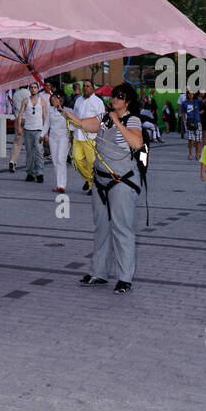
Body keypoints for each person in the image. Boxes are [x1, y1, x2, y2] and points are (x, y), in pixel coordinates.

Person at [77, 83, 143, 294]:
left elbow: (136, 143)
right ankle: (99, 272)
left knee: (122, 229)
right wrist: (62, 110)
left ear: (128, 101)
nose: (115, 100)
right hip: (100, 181)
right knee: (102, 228)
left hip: (122, 181)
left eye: (120, 97)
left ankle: (125, 278)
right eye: (114, 96)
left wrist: (118, 122)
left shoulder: (132, 119)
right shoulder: (104, 118)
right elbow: (82, 124)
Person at [71, 79, 104, 195]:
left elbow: (101, 120)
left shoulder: (98, 102)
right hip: (77, 136)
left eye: (88, 86)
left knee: (91, 163)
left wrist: (100, 136)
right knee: (76, 160)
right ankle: (90, 179)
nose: (86, 88)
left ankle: (91, 186)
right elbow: (74, 116)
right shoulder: (78, 100)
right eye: (84, 86)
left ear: (92, 88)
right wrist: (71, 131)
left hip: (91, 137)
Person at [17, 83, 47, 183]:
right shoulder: (25, 101)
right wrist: (19, 127)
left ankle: (40, 173)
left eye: (35, 87)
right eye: (31, 87)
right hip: (28, 130)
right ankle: (30, 173)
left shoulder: (42, 102)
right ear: (29, 89)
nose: (33, 89)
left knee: (39, 152)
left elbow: (44, 117)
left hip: (38, 130)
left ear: (38, 89)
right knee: (29, 153)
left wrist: (45, 133)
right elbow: (20, 114)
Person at [44, 84, 72, 192]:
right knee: (55, 161)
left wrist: (72, 136)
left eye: (60, 98)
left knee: (61, 159)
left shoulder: (68, 110)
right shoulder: (50, 110)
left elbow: (73, 123)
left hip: (64, 137)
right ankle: (58, 184)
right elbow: (47, 123)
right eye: (56, 97)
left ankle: (62, 185)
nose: (58, 99)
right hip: (53, 137)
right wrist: (43, 135)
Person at [7, 84, 29, 172]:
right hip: (28, 119)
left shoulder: (15, 94)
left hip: (18, 119)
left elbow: (14, 106)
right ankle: (29, 164)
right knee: (29, 144)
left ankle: (12, 161)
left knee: (17, 142)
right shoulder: (29, 94)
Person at [184, 90, 203, 161]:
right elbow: (183, 112)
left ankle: (197, 154)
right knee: (190, 139)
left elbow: (203, 106)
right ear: (187, 95)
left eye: (192, 93)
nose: (190, 94)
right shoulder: (185, 103)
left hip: (197, 122)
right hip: (189, 122)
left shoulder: (197, 101)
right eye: (189, 93)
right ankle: (190, 154)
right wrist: (185, 119)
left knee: (198, 140)